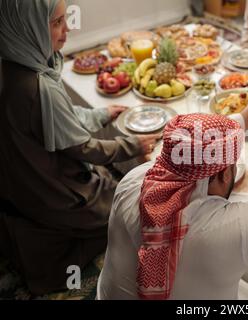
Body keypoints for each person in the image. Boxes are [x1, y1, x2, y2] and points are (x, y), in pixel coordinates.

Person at [97, 88, 248, 300]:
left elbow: (192, 142)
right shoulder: (231, 229)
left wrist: (243, 119)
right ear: (226, 173)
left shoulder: (135, 178)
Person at [0, 0, 160, 295]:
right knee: (128, 209)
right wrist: (132, 145)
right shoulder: (38, 86)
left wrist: (99, 115)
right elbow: (83, 149)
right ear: (29, 25)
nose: (67, 30)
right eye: (57, 22)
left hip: (18, 185)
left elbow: (61, 117)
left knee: (109, 177)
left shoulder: (13, 63)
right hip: (49, 194)